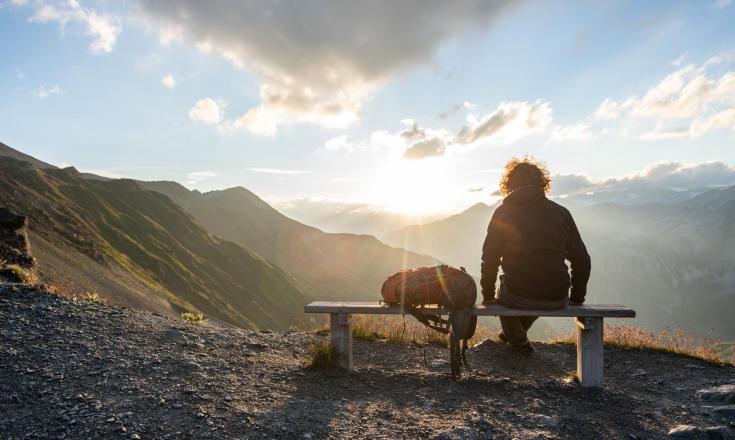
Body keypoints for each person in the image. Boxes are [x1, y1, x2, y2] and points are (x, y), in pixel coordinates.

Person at [480, 157, 591, 353]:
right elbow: (582, 260)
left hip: (517, 294)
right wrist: (577, 297)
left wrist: (488, 296)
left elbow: (489, 258)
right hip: (556, 295)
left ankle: (519, 342)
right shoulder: (561, 213)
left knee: (505, 292)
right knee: (537, 287)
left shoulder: (503, 213)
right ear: (542, 183)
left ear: (509, 184)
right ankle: (509, 336)